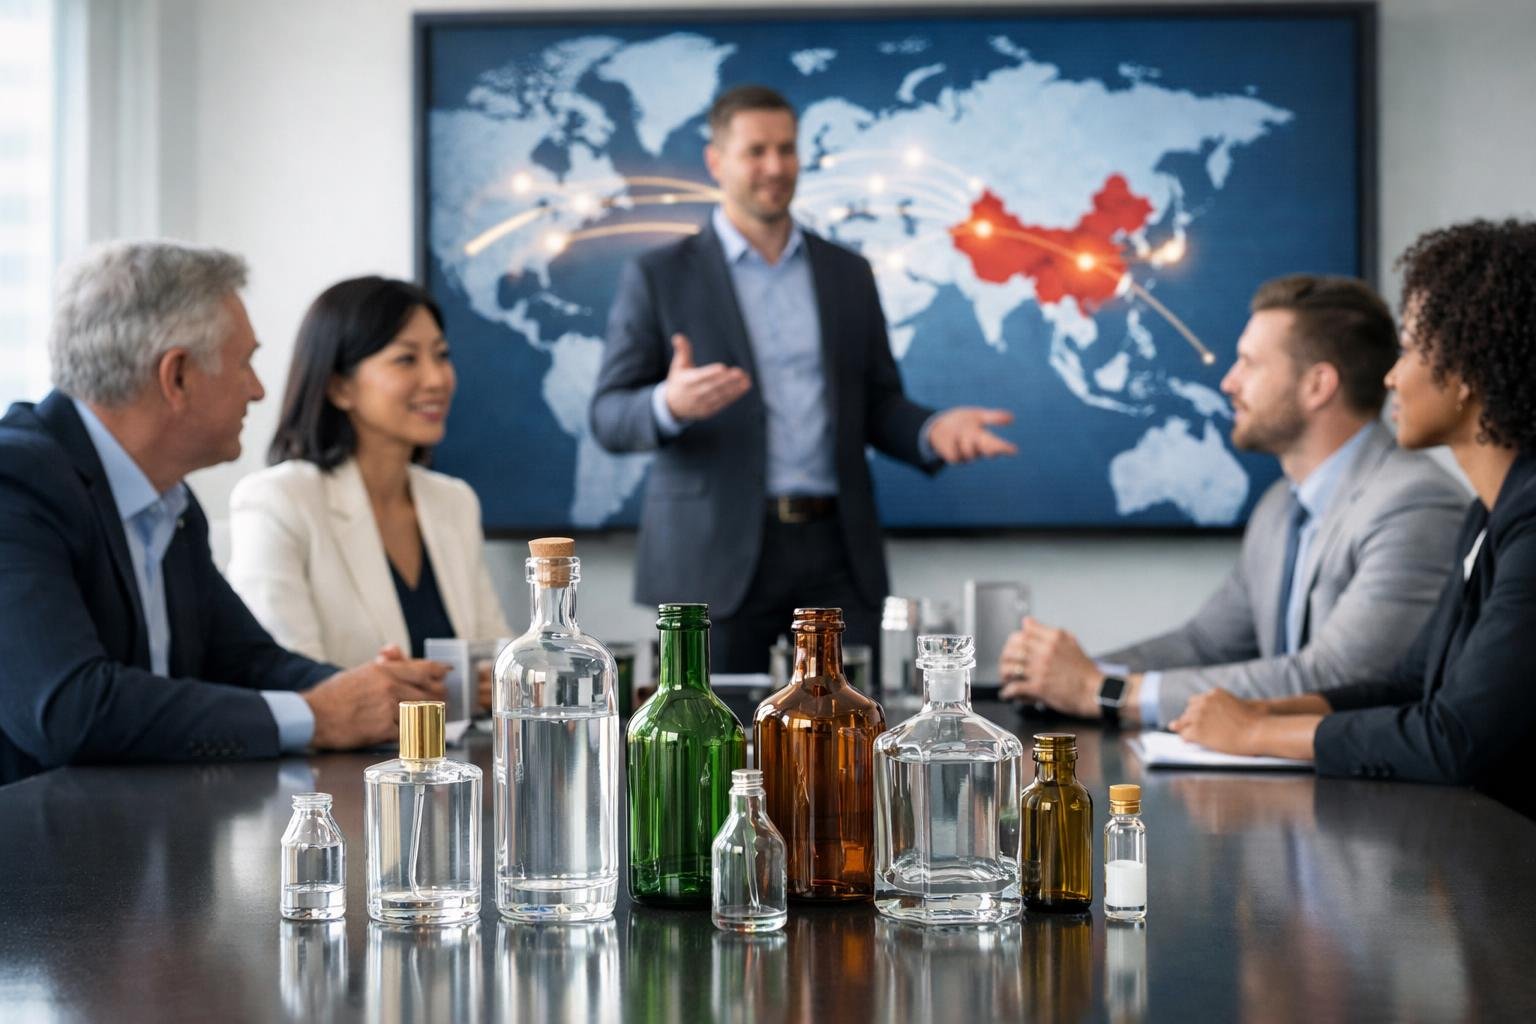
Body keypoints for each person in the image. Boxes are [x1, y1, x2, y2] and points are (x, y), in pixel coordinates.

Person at [591, 84, 1016, 672]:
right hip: (715, 558)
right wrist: (670, 403)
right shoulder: (660, 275)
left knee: (849, 744)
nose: (775, 167)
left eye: (787, 150)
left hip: (836, 552)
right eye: (756, 151)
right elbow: (608, 416)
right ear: (716, 161)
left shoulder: (846, 272)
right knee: (712, 747)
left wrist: (930, 430)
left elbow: (876, 403)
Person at [0, 242, 447, 784]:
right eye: (245, 363)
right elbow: (70, 708)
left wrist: (376, 693)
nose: (258, 390)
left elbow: (246, 661)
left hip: (144, 842)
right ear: (178, 376)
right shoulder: (16, 481)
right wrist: (319, 716)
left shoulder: (172, 502)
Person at [1172, 219, 1536, 819]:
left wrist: (1255, 736)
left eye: (1414, 349)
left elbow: (1455, 738)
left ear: (1467, 371)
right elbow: (1406, 686)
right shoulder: (1486, 518)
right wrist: (1269, 711)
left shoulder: (1533, 524)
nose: (1392, 375)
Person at [999, 274, 1467, 727]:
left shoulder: (1415, 505)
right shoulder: (1279, 506)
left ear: (1318, 386)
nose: (1229, 382)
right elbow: (1205, 645)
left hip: (1377, 800)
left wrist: (1098, 691)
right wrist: (1063, 675)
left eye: (1249, 363)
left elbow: (1333, 678)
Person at [227, 276, 510, 679]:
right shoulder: (278, 500)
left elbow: (498, 659)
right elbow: (285, 676)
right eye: (407, 359)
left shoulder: (454, 501)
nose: (437, 379)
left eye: (442, 355)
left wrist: (491, 685)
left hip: (455, 745)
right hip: (341, 746)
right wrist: (448, 692)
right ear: (340, 386)